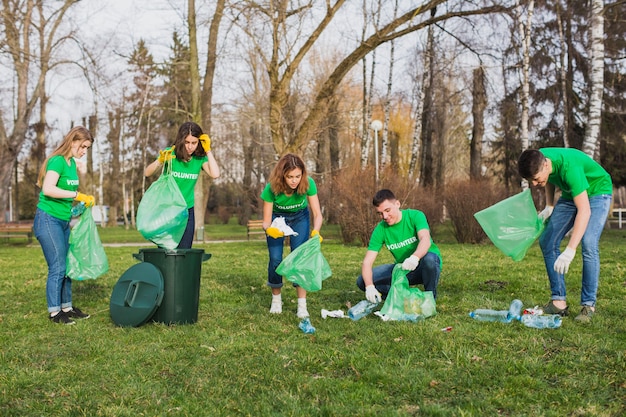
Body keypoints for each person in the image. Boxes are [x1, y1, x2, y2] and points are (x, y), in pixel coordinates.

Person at [518, 148, 612, 322]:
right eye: (531, 181)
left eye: (536, 179)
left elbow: (584, 210)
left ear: (546, 165)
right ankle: (558, 301)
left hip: (598, 191)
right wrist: (549, 206)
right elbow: (549, 179)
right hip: (571, 193)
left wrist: (570, 250)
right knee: (547, 240)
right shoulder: (539, 159)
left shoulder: (570, 168)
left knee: (589, 242)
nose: (534, 184)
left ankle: (588, 305)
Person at [34, 126, 96, 325]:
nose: (84, 151)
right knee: (58, 266)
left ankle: (66, 307)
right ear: (73, 141)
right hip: (47, 219)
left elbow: (65, 200)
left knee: (67, 265)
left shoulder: (71, 165)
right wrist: (77, 194)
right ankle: (54, 313)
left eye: (87, 148)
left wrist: (81, 206)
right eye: (83, 146)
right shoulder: (57, 161)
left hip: (62, 220)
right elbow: (49, 189)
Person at [261, 153, 323, 318]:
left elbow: (317, 214)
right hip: (277, 219)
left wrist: (316, 231)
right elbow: (266, 221)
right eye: (290, 177)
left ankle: (302, 305)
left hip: (300, 218)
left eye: (297, 176)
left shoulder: (308, 184)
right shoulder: (271, 188)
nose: (294, 180)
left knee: (300, 257)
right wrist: (269, 230)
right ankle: (276, 300)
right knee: (275, 258)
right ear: (282, 175)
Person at [357, 189, 442, 303]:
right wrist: (369, 287)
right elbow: (367, 262)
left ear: (397, 204)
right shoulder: (381, 229)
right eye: (380, 213)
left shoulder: (415, 216)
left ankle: (430, 298)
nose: (385, 216)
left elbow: (425, 239)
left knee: (430, 259)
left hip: (424, 265)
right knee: (362, 281)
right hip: (403, 268)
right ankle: (400, 296)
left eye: (387, 210)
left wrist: (415, 257)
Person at [145, 121, 220, 249]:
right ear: (181, 141)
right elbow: (147, 172)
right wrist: (160, 161)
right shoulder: (171, 153)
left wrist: (208, 150)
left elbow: (215, 174)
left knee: (185, 250)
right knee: (166, 250)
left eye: (194, 143)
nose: (190, 147)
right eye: (187, 142)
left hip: (187, 211)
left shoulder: (199, 159)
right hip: (168, 209)